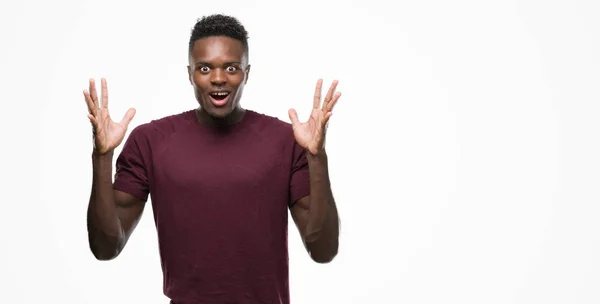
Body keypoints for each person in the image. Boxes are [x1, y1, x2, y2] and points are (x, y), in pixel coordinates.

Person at [83, 14, 340, 303]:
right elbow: (106, 247)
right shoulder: (150, 141)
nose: (218, 78)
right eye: (205, 68)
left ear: (247, 72)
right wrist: (102, 157)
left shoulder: (285, 141)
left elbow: (323, 250)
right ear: (190, 72)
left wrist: (317, 157)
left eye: (231, 67)